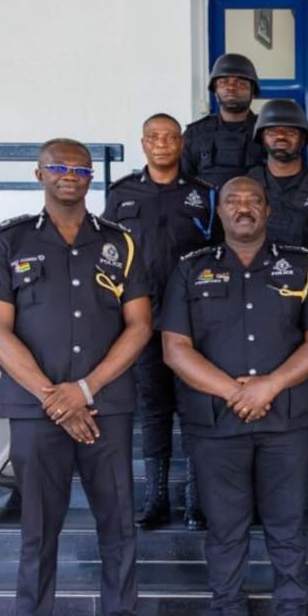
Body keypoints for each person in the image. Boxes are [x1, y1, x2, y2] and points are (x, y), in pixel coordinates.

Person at [0, 138, 165, 616]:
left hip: (106, 406)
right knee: (39, 531)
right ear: (39, 174)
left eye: (80, 168)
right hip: (36, 414)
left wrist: (84, 390)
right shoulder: (10, 241)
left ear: (91, 178)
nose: (70, 175)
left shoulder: (118, 243)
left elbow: (139, 326)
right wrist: (54, 398)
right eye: (58, 167)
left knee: (118, 525)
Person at [162, 176, 308, 616]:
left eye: (253, 200)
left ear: (267, 210)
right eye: (233, 200)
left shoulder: (302, 266)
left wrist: (269, 386)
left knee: (287, 523)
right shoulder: (190, 270)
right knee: (225, 526)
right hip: (216, 423)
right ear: (218, 212)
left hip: (287, 421)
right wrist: (234, 392)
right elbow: (174, 348)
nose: (243, 207)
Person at [104, 114, 217, 532]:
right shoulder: (122, 194)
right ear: (143, 143)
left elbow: (220, 254)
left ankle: (196, 499)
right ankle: (156, 498)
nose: (162, 144)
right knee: (154, 410)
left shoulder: (205, 194)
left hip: (194, 320)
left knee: (196, 407)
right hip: (143, 320)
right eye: (154, 137)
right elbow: (108, 255)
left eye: (170, 137)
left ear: (182, 143)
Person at [246, 98, 308, 527]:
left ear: (304, 139)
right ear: (262, 138)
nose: (281, 136)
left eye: (289, 131)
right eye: (273, 130)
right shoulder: (246, 184)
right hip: (256, 304)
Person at [181, 53, 264, 188]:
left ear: (253, 91)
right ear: (215, 90)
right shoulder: (194, 133)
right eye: (223, 82)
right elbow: (180, 183)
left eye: (240, 83)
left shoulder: (268, 131)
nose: (231, 87)